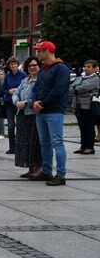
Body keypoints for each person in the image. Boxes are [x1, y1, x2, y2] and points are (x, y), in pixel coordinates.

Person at [31, 41, 70, 186]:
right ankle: (46, 171)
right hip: (41, 110)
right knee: (44, 143)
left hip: (54, 110)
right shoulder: (43, 69)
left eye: (39, 51)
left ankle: (61, 174)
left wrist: (43, 103)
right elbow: (36, 87)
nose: (38, 53)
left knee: (57, 142)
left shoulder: (61, 68)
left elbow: (59, 90)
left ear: (47, 51)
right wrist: (34, 101)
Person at [13, 57, 42, 179]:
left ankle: (38, 167)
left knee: (34, 142)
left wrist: (25, 103)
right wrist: (16, 102)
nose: (32, 68)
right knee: (24, 142)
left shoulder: (40, 80)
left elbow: (39, 96)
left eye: (35, 65)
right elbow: (16, 93)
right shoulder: (25, 80)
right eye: (30, 66)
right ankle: (31, 167)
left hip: (33, 114)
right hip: (22, 114)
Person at [70, 59, 98, 155]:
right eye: (85, 66)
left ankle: (90, 147)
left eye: (88, 67)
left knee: (89, 126)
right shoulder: (80, 78)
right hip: (78, 105)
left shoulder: (95, 79)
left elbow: (85, 88)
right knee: (82, 126)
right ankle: (83, 145)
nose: (86, 69)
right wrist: (76, 89)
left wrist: (76, 89)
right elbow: (71, 87)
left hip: (89, 105)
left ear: (94, 68)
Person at [2, 56, 27, 154]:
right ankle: (12, 147)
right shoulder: (7, 76)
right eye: (11, 64)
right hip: (9, 102)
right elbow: (3, 89)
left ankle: (20, 146)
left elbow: (26, 87)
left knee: (20, 125)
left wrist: (17, 91)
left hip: (19, 103)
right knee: (11, 126)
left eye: (15, 64)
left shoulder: (23, 75)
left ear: (17, 65)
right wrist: (9, 91)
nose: (13, 66)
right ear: (9, 65)